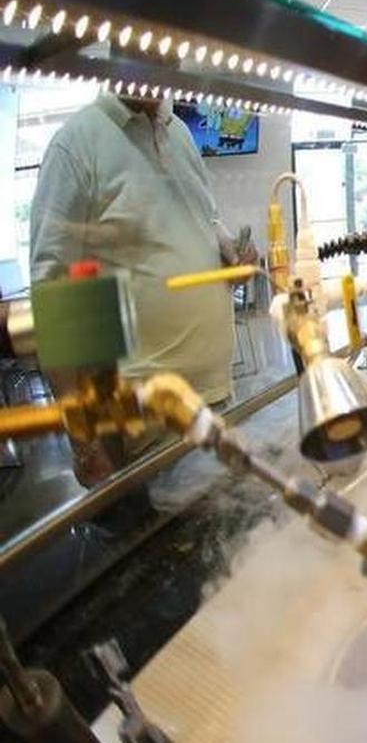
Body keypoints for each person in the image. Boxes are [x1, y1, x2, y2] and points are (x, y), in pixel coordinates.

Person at [29, 90, 256, 485]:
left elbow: (207, 219)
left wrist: (228, 250)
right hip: (147, 417)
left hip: (216, 393)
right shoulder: (77, 144)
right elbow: (53, 296)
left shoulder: (179, 131)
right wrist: (84, 440)